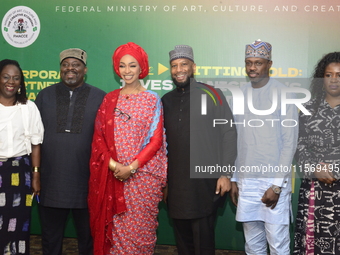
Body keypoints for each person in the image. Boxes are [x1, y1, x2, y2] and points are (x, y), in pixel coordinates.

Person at [88, 42, 167, 255]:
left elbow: (156, 141)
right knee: (116, 237)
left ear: (142, 68)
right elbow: (99, 140)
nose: (127, 71)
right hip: (113, 177)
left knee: (142, 234)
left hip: (143, 179)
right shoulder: (109, 100)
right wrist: (115, 167)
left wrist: (131, 167)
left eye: (132, 65)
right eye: (122, 66)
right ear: (117, 69)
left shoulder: (152, 100)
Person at [162, 45, 237, 255]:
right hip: (176, 188)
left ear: (193, 67)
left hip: (205, 186)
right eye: (174, 66)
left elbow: (229, 134)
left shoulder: (213, 94)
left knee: (203, 245)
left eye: (184, 64)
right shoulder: (166, 101)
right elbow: (160, 146)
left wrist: (225, 173)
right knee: (183, 244)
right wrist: (164, 182)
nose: (179, 69)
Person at [229, 40, 298, 254]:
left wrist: (277, 185)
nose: (252, 67)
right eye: (248, 62)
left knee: (278, 244)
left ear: (269, 64)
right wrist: (234, 179)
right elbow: (236, 140)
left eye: (258, 62)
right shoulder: (239, 95)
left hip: (273, 182)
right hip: (246, 181)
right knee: (253, 243)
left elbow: (289, 144)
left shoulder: (284, 94)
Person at [35, 48, 106, 255]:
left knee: (88, 240)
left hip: (87, 183)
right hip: (51, 183)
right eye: (65, 64)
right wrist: (36, 173)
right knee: (50, 239)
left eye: (75, 64)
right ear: (60, 69)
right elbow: (34, 138)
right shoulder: (44, 95)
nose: (70, 69)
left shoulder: (100, 97)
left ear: (85, 69)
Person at [294, 52, 340, 255]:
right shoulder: (307, 109)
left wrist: (334, 168)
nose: (334, 80)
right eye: (328, 74)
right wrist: (314, 168)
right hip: (315, 188)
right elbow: (298, 144)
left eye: (339, 75)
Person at [0, 59, 44, 254]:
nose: (11, 81)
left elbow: (36, 144)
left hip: (20, 173)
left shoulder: (29, 107)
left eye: (16, 78)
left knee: (18, 223)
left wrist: (35, 175)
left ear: (21, 82)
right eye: (6, 77)